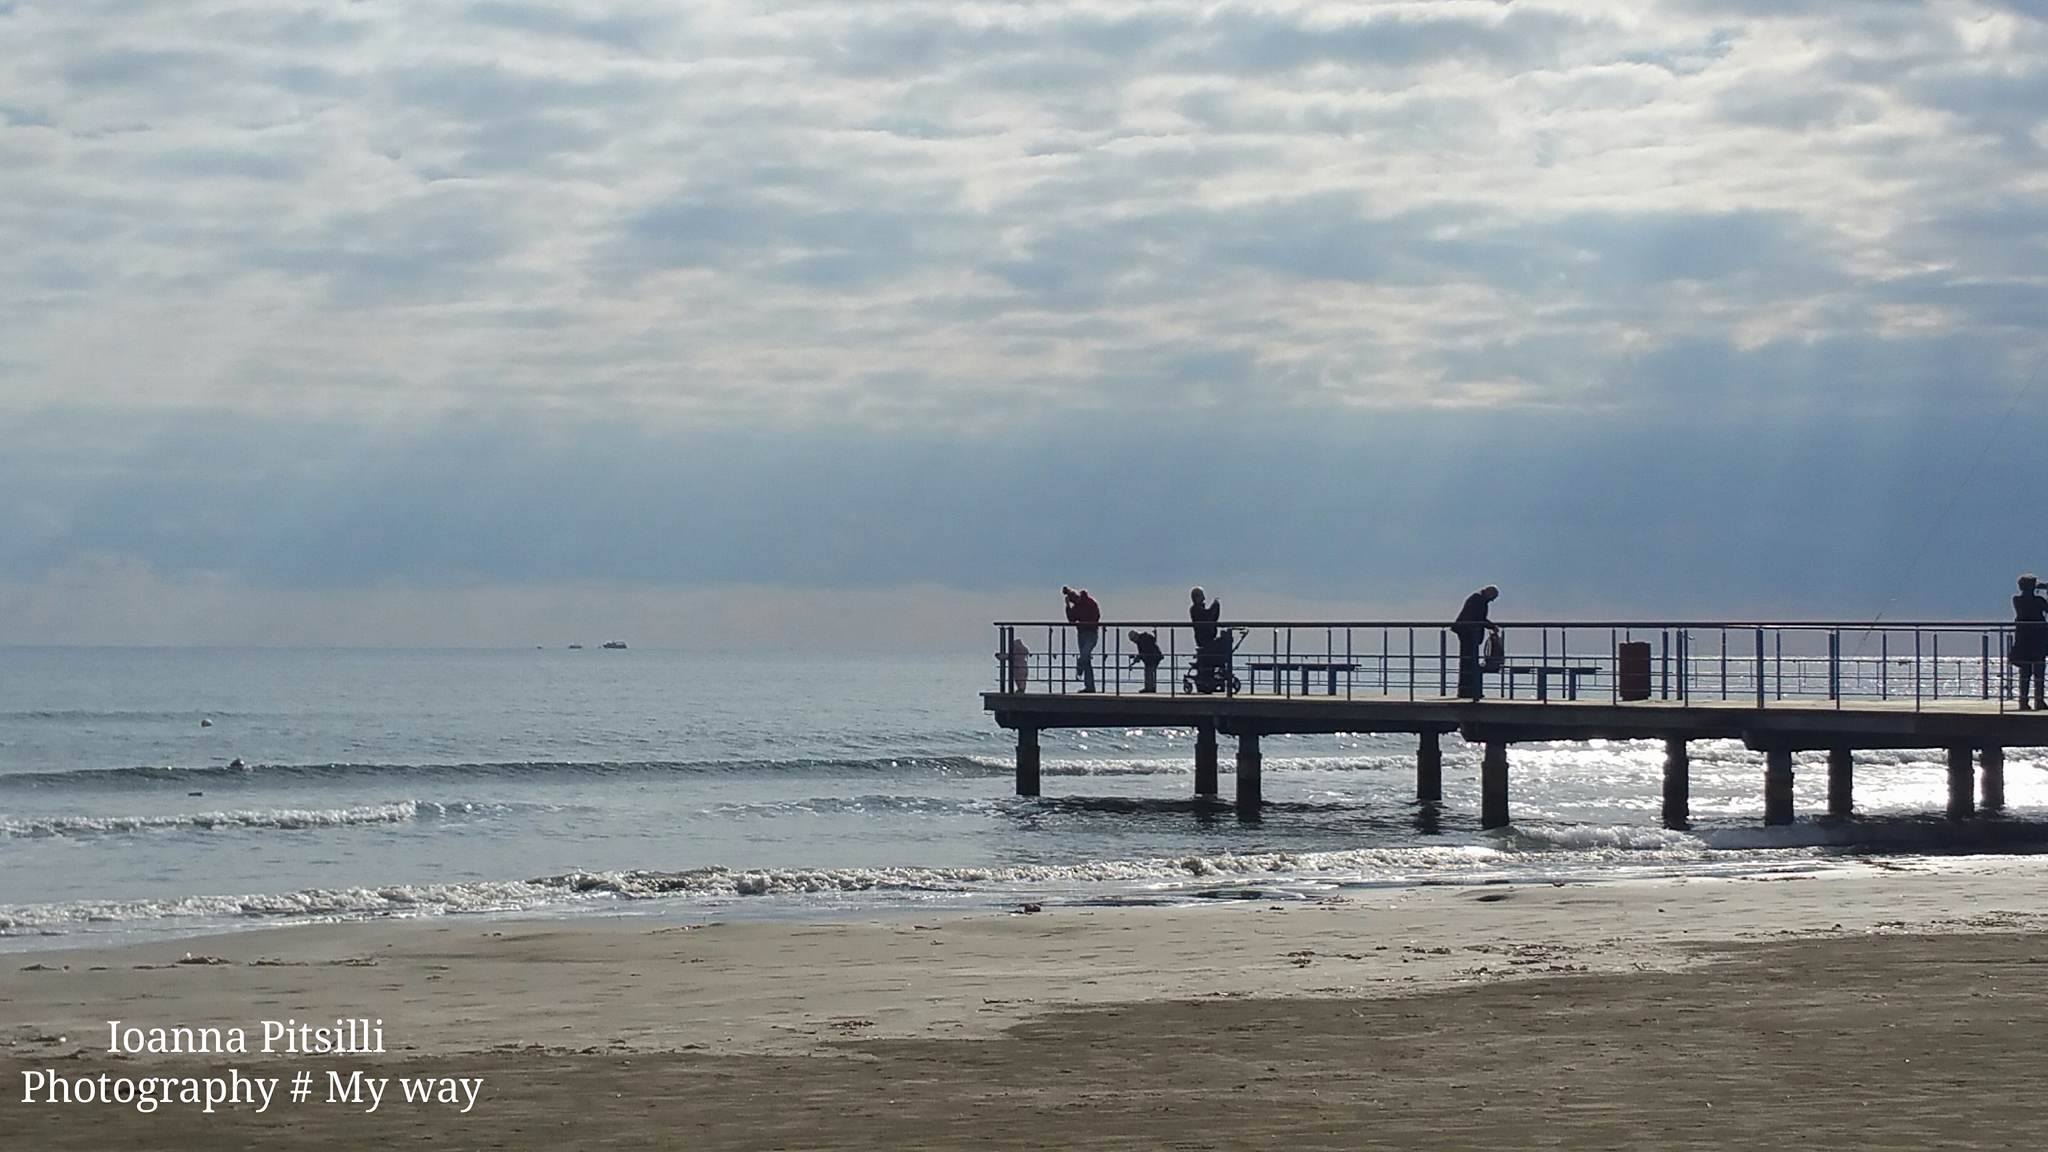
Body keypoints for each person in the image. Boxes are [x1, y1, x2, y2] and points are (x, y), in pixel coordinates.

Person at [1453, 585, 1500, 701]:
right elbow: (1479, 618)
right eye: (1492, 598)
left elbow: (1479, 618)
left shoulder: (1477, 599)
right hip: (1468, 633)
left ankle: (1467, 690)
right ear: (1489, 594)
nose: (1491, 600)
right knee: (1469, 661)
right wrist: (1491, 626)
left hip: (1467, 632)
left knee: (1468, 661)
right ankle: (1467, 690)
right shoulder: (1478, 600)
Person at [2013, 575, 2048, 710]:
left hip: (2024, 640)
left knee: (2026, 672)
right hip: (2037, 639)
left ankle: (2024, 701)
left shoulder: (2017, 600)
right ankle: (2038, 700)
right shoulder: (2038, 601)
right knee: (2038, 671)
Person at [1063, 586, 1101, 692]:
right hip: (1081, 634)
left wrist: (1087, 623)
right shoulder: (1076, 607)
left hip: (1091, 634)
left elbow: (1096, 615)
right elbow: (1071, 620)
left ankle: (1079, 667)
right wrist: (1067, 606)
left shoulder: (1091, 602)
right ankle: (1090, 687)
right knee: (1086, 660)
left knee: (1084, 656)